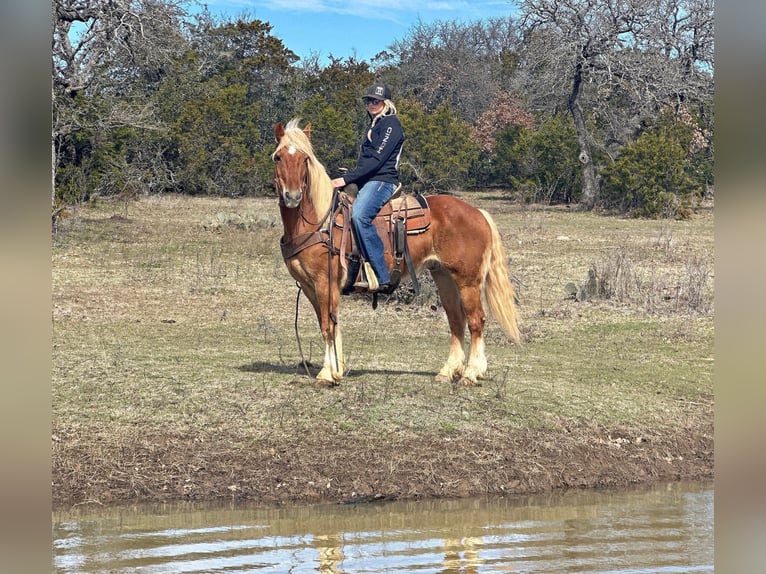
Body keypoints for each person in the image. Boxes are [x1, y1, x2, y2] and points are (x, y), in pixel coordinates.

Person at [331, 82, 405, 293]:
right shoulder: (374, 125)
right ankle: (352, 268)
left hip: (383, 180)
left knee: (359, 215)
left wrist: (345, 179)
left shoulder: (391, 125)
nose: (371, 104)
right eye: (368, 101)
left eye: (376, 101)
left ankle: (382, 276)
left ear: (385, 103)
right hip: (368, 181)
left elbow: (376, 161)